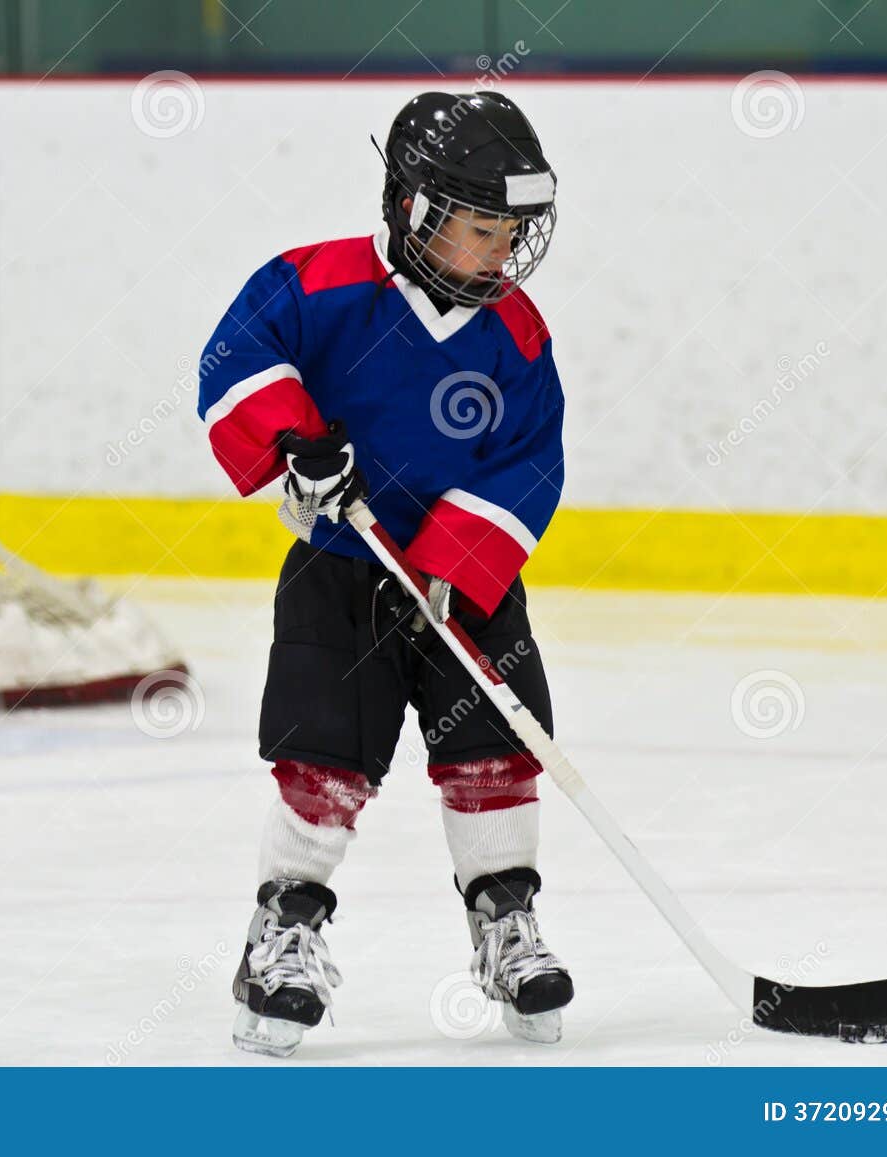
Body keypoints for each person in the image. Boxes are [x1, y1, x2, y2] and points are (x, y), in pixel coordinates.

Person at [196, 91, 571, 1057]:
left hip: (465, 587)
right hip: (338, 571)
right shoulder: (316, 284)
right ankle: (281, 933)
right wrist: (295, 441)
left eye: (512, 231)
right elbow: (235, 356)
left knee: (495, 744)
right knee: (325, 755)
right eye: (480, 228)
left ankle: (505, 924)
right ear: (414, 209)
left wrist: (457, 562)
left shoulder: (518, 335)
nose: (500, 251)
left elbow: (529, 459)